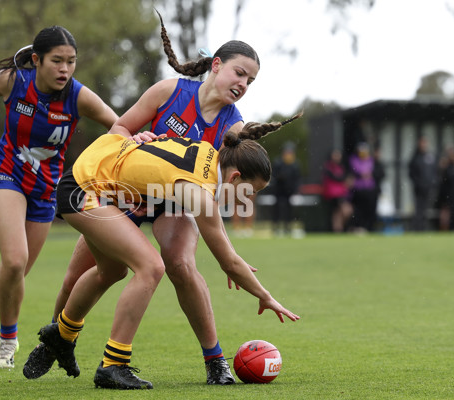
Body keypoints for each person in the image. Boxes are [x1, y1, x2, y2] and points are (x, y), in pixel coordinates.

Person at [23, 12, 300, 385]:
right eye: (239, 73)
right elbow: (120, 127)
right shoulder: (169, 92)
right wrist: (132, 139)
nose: (243, 83)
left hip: (170, 200)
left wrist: (231, 258)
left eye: (250, 80)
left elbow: (218, 186)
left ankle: (215, 361)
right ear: (216, 66)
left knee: (181, 267)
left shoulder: (233, 129)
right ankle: (56, 341)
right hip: (118, 190)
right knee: (81, 273)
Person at [28, 131, 301, 390]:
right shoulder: (200, 193)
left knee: (110, 270)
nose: (249, 198)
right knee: (151, 267)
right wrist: (265, 296)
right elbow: (228, 261)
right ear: (235, 178)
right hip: (84, 190)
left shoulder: (210, 153)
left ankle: (62, 334)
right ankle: (113, 364)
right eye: (251, 190)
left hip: (91, 175)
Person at [0, 26, 118, 368]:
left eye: (71, 62)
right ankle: (7, 342)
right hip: (5, 174)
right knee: (14, 262)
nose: (65, 69)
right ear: (36, 60)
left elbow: (117, 126)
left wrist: (128, 148)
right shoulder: (13, 81)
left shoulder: (79, 96)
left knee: (14, 272)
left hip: (46, 189)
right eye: (57, 61)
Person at [271, 141, 300, 236]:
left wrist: (295, 190)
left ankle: (288, 228)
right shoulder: (278, 162)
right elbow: (274, 176)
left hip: (289, 191)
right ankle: (275, 227)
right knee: (277, 209)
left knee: (289, 210)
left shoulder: (295, 164)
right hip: (279, 191)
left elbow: (297, 178)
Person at [408, 137, 437, 231]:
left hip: (428, 188)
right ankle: (417, 228)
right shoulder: (415, 157)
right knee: (418, 209)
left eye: (425, 143)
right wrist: (418, 183)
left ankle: (423, 227)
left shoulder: (430, 156)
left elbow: (434, 171)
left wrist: (432, 182)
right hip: (418, 188)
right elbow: (411, 173)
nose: (424, 145)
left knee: (425, 209)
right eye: (422, 143)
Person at [348, 142, 377, 232]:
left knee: (369, 210)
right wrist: (364, 173)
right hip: (358, 190)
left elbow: (370, 170)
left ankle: (368, 228)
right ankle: (357, 227)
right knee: (358, 210)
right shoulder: (354, 159)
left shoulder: (370, 160)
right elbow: (359, 170)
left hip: (369, 190)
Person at [321, 149, 352, 233]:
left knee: (338, 213)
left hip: (340, 194)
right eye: (335, 155)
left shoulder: (340, 167)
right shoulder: (328, 167)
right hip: (333, 194)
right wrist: (345, 181)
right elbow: (336, 178)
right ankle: (338, 229)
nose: (337, 157)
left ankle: (338, 229)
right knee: (342, 211)